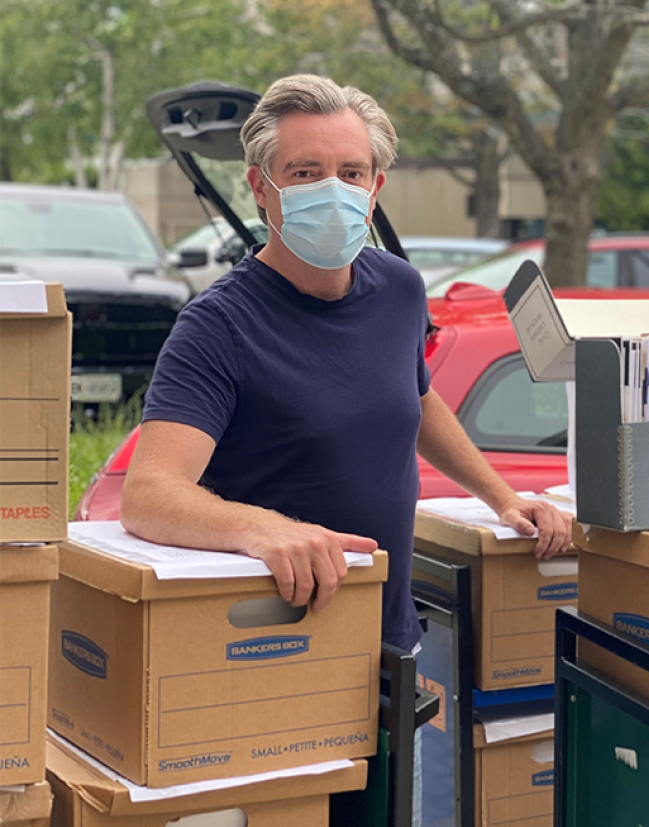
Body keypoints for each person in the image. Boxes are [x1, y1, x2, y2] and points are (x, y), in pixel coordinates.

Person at [119, 74, 572, 655]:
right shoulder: (218, 326)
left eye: (351, 173)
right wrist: (265, 529)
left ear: (375, 186)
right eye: (305, 173)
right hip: (279, 644)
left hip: (390, 635)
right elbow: (149, 493)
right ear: (261, 187)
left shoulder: (400, 288)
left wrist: (502, 497)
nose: (331, 190)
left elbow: (417, 397)